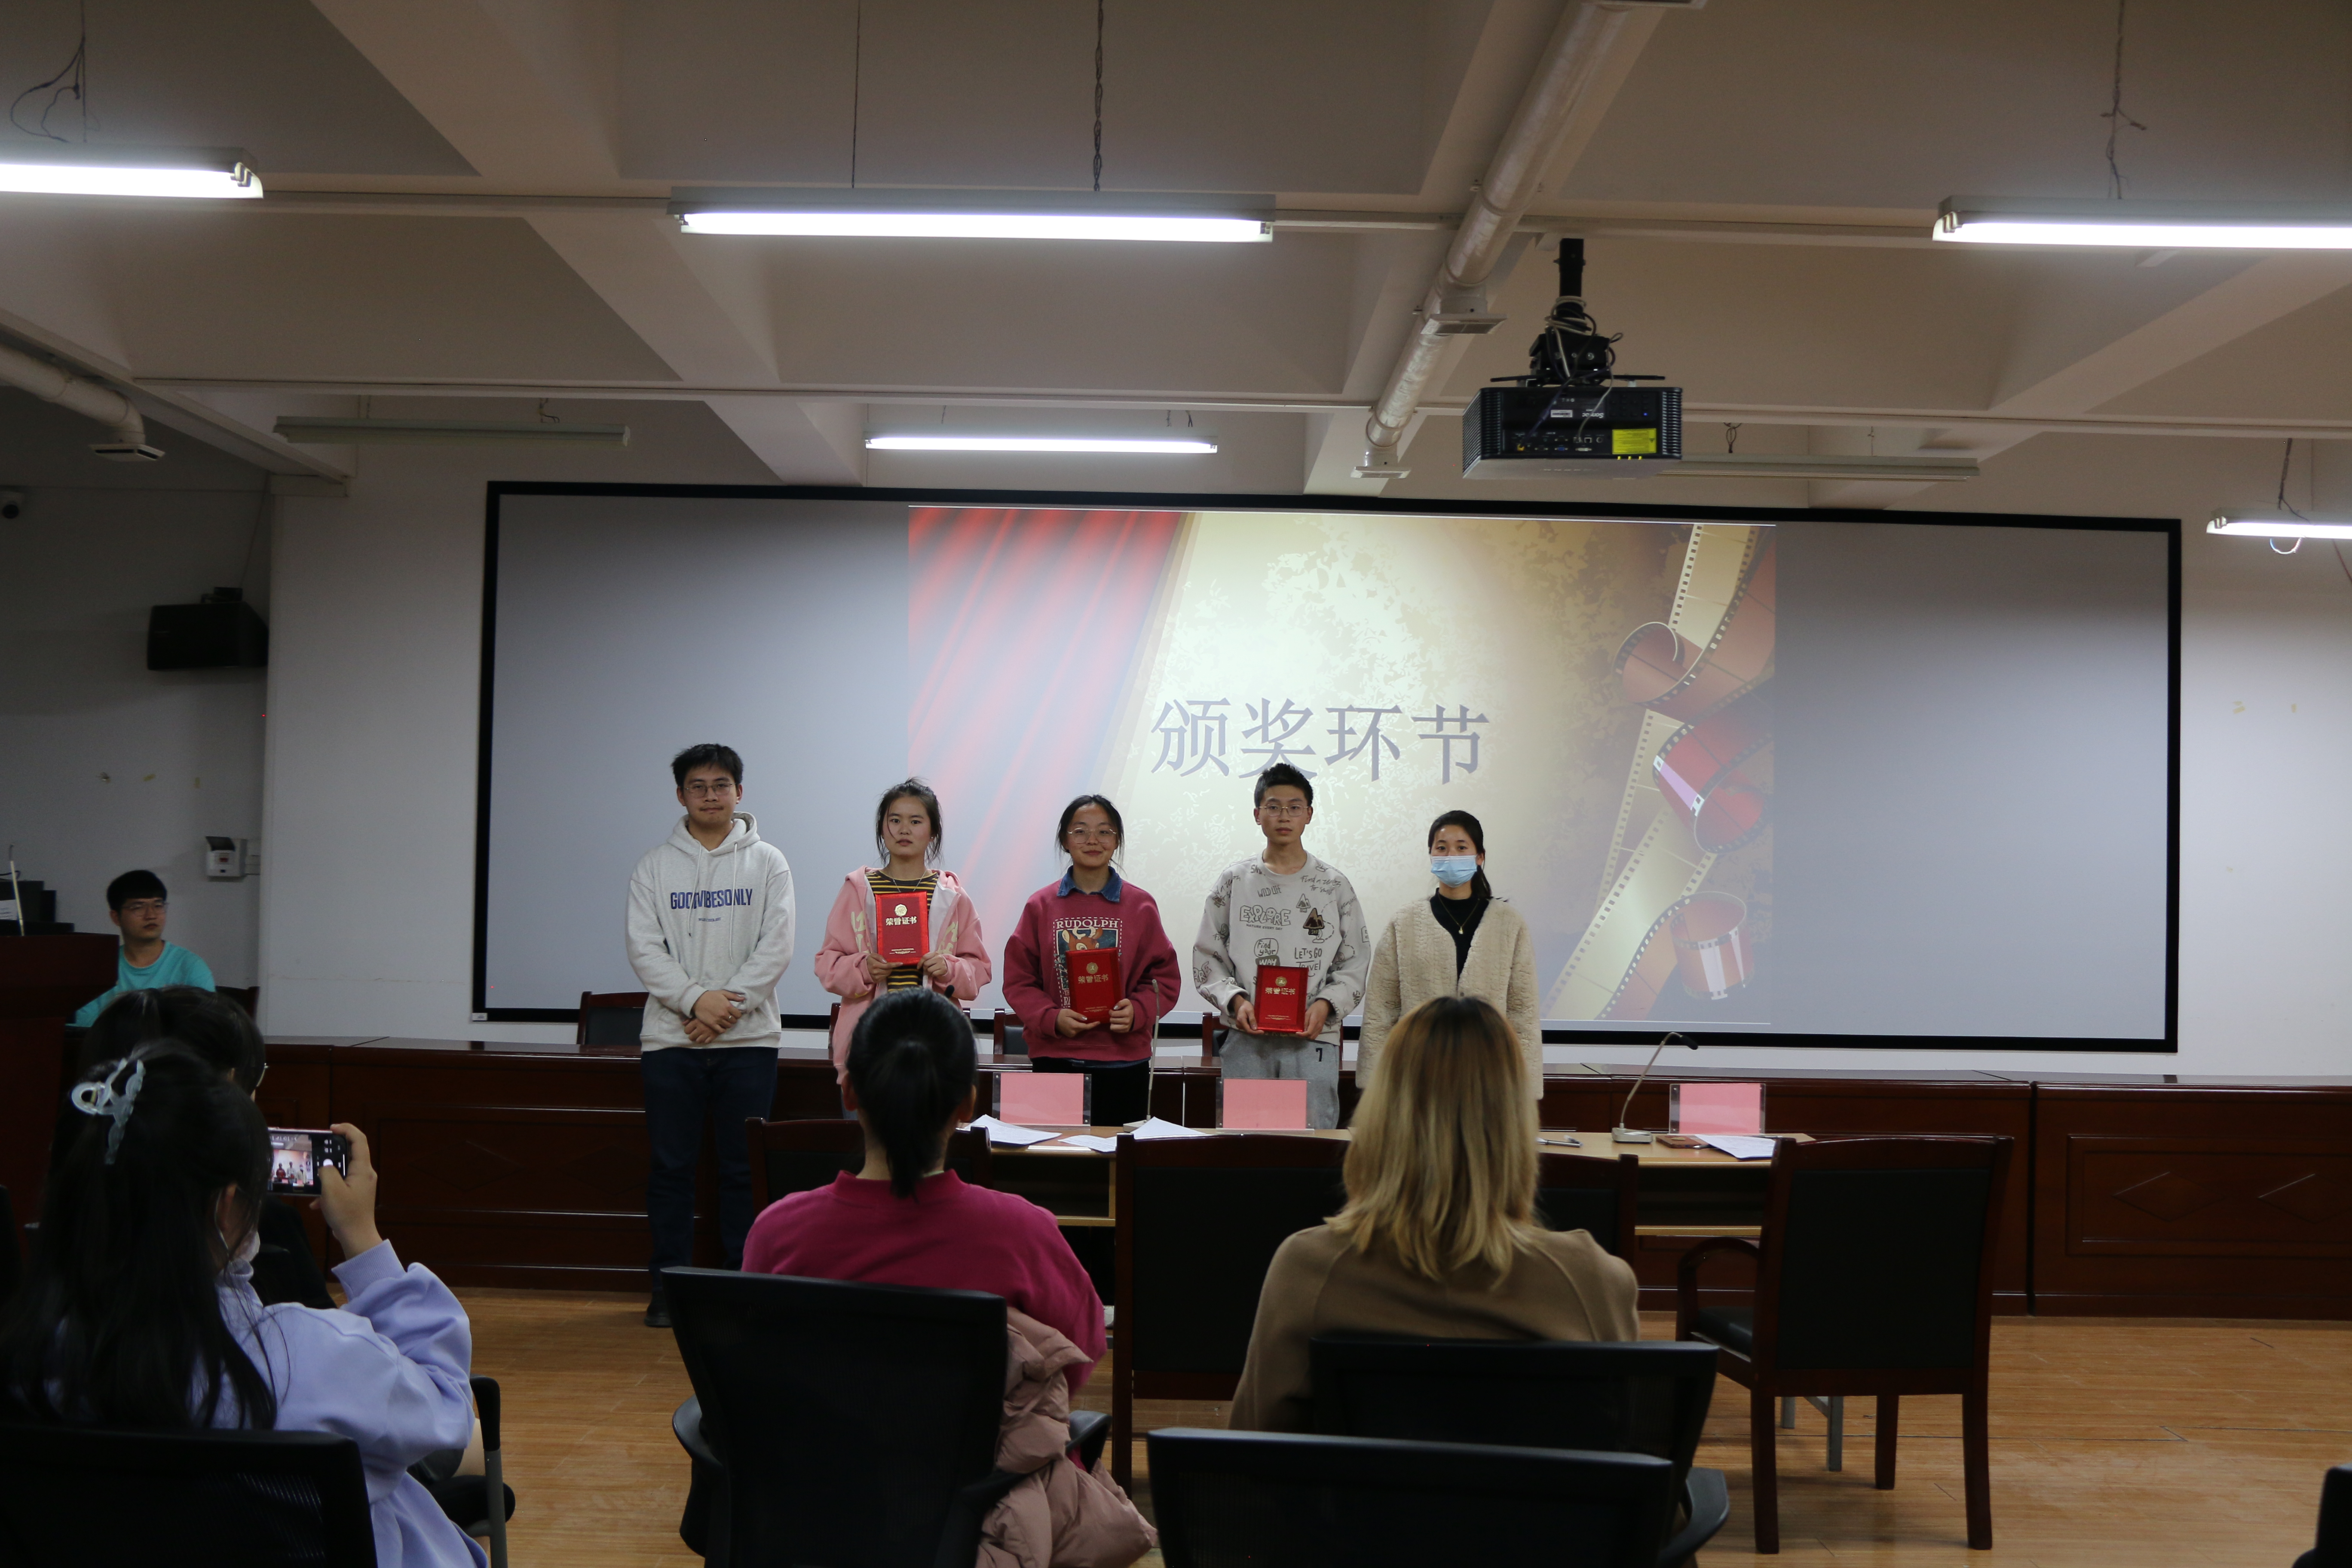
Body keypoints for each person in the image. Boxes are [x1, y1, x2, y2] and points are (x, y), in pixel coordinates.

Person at [0, 1045, 484, 1568]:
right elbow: (445, 1405)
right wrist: (362, 1237)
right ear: (227, 1207)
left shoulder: (29, 1357)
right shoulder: (310, 1358)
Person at [1228, 995, 1638, 1433]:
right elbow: (1624, 1453)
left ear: (1382, 1116)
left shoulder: (1309, 1270)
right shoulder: (1593, 1281)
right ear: (1516, 1124)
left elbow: (1252, 1451)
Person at [744, 988, 1104, 1375]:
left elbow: (753, 1365)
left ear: (849, 1093)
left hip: (821, 1418)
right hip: (978, 1419)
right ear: (967, 1104)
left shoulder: (778, 1233)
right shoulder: (1024, 1234)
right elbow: (1078, 1355)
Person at [625, 742, 797, 1329]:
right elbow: (644, 948)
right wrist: (696, 1000)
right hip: (670, 1043)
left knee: (743, 1171)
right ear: (681, 796)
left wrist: (724, 1008)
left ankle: (740, 1287)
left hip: (749, 1043)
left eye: (721, 785)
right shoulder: (654, 866)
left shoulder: (769, 862)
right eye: (697, 786)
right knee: (671, 1169)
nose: (710, 796)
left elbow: (777, 945)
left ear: (739, 793)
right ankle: (668, 1288)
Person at [64, 986, 336, 1310]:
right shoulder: (260, 1220)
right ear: (226, 1087)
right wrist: (362, 1238)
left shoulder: (72, 1204)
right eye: (255, 1079)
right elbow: (327, 1327)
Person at [1192, 762, 1370, 1130]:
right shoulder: (1234, 881)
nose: (1284, 816)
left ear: (1309, 815)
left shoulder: (1334, 886)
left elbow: (1353, 962)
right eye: (1273, 807)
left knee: (1311, 1144)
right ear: (1257, 815)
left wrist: (1325, 1005)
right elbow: (1209, 954)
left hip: (1314, 1039)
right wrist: (1237, 1001)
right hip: (1247, 1038)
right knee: (1245, 1141)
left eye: (1294, 807)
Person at [999, 795, 1182, 1127]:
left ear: (1117, 841)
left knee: (1119, 1155)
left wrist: (1138, 1011)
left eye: (1104, 832)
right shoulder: (1040, 906)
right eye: (1081, 831)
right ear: (1065, 841)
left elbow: (1163, 980)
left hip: (1124, 1063)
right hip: (1056, 1059)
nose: (1093, 840)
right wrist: (1051, 1018)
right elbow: (1019, 980)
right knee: (1054, 1155)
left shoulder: (1140, 906)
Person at [812, 779, 991, 1086]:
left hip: (934, 1041)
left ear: (933, 832)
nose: (904, 830)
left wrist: (948, 968)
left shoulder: (953, 895)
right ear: (883, 829)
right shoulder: (858, 890)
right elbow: (827, 965)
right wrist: (863, 969)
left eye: (916, 821)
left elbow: (979, 971)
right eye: (895, 821)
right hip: (870, 1041)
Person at [1360, 809, 1543, 1099]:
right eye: (1442, 848)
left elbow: (1523, 1013)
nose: (1451, 856)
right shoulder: (1405, 922)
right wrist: (1375, 1084)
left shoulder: (1509, 923)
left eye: (1461, 848)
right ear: (1431, 854)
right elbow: (1381, 1010)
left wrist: (1525, 1087)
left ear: (1480, 857)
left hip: (1489, 1076)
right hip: (1418, 1074)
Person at [70, 869, 215, 1026]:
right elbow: (83, 1029)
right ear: (116, 917)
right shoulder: (99, 969)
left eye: (158, 906)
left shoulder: (190, 967)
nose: (151, 915)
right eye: (138, 907)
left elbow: (207, 1029)